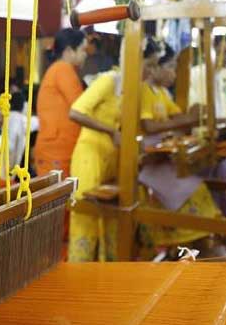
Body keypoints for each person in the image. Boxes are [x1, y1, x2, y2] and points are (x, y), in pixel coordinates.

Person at [68, 38, 161, 262]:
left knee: (111, 217)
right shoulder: (109, 81)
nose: (152, 71)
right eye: (149, 65)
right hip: (90, 156)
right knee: (87, 218)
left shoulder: (133, 89)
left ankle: (106, 276)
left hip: (111, 158)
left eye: (155, 66)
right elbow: (75, 112)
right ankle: (78, 277)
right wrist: (110, 131)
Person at [139, 44, 226, 258]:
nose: (173, 73)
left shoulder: (161, 93)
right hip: (146, 161)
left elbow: (179, 118)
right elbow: (148, 126)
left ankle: (199, 242)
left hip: (162, 158)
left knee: (198, 186)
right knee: (192, 190)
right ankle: (190, 240)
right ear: (155, 69)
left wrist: (200, 118)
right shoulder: (143, 91)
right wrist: (189, 119)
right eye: (169, 67)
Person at [34, 28, 88, 177]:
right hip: (56, 151)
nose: (85, 55)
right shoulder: (63, 69)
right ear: (69, 51)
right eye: (83, 50)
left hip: (57, 149)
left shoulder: (59, 69)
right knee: (58, 198)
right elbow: (81, 108)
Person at [189, 35, 226, 123]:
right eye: (223, 52)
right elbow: (193, 106)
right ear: (212, 52)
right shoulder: (193, 74)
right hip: (203, 126)